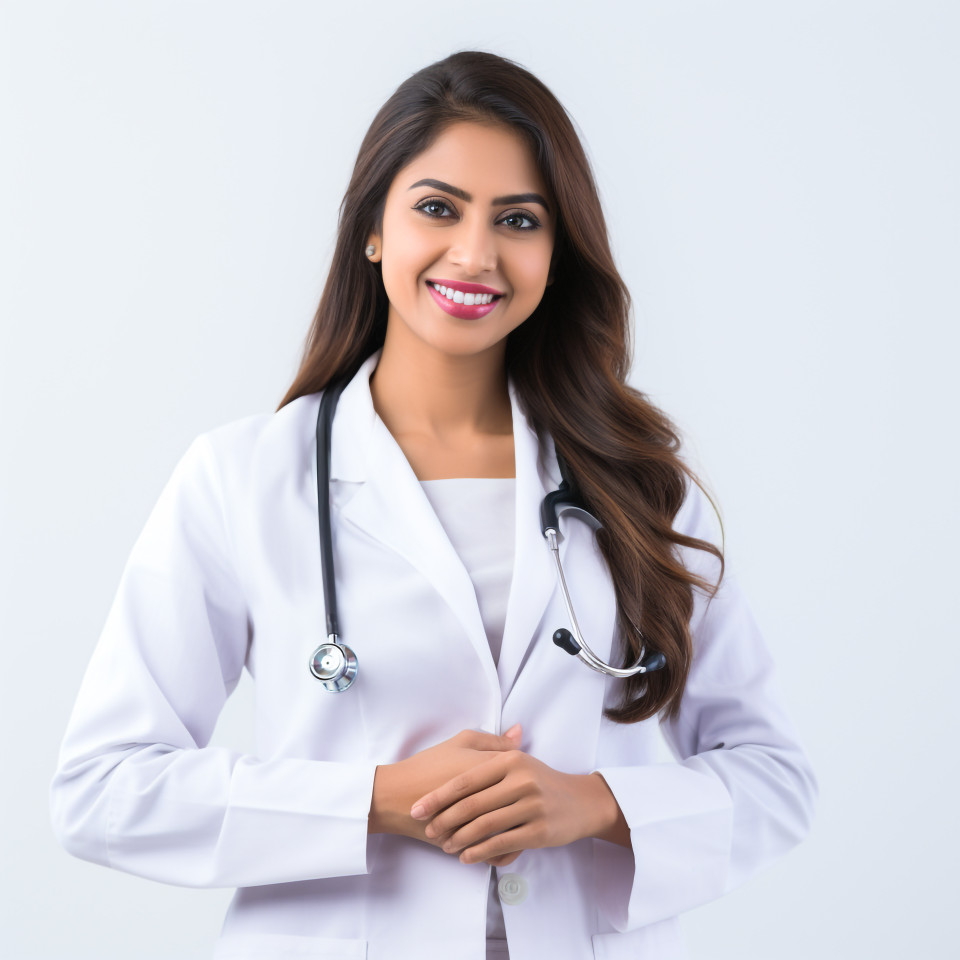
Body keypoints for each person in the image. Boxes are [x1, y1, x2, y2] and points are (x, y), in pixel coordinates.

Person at [50, 50, 817, 960]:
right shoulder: (242, 479)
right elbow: (103, 788)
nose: (475, 254)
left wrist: (595, 804)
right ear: (373, 229)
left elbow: (774, 780)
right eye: (438, 208)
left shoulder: (637, 484)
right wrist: (375, 800)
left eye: (518, 220)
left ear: (556, 255)